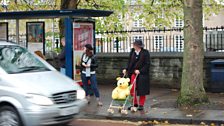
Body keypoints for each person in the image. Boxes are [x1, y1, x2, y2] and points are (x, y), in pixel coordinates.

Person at [123, 39, 150, 111]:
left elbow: (147, 64)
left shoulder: (145, 53)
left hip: (142, 74)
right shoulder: (132, 52)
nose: (133, 46)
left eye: (134, 45)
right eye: (133, 45)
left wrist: (140, 71)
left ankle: (141, 104)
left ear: (138, 46)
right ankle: (134, 103)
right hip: (133, 73)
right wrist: (126, 69)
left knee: (142, 89)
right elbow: (129, 62)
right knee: (132, 88)